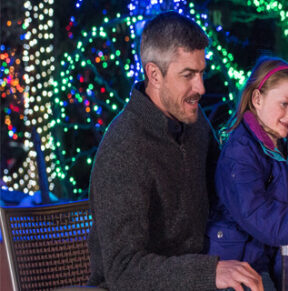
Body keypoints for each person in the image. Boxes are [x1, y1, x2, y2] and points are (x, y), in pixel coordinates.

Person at [87, 12, 262, 291]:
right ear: (154, 74)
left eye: (201, 72)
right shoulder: (123, 151)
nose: (201, 87)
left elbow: (227, 191)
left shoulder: (192, 122)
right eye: (188, 75)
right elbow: (123, 270)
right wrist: (209, 271)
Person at [205, 56, 288, 290]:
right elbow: (257, 212)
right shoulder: (240, 152)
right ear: (257, 99)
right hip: (239, 262)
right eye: (284, 104)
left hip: (271, 262)